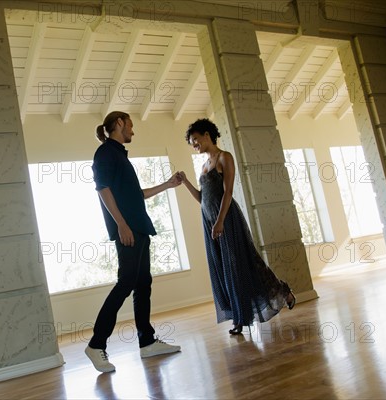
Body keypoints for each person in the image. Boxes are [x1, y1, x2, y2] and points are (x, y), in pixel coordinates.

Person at [177, 118, 296, 335]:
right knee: (224, 269)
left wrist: (221, 221)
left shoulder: (225, 157)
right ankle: (238, 317)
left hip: (227, 219)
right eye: (191, 142)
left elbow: (228, 192)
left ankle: (280, 293)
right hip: (209, 222)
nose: (194, 145)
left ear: (206, 134)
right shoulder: (204, 166)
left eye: (195, 140)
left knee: (245, 263)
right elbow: (202, 198)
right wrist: (185, 183)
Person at [85, 111, 181, 373]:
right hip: (128, 229)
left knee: (143, 283)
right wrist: (122, 224)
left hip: (139, 228)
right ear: (119, 124)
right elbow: (102, 189)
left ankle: (147, 342)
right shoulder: (105, 153)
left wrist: (167, 185)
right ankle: (96, 345)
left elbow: (137, 195)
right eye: (130, 125)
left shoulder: (119, 156)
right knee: (126, 282)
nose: (133, 131)